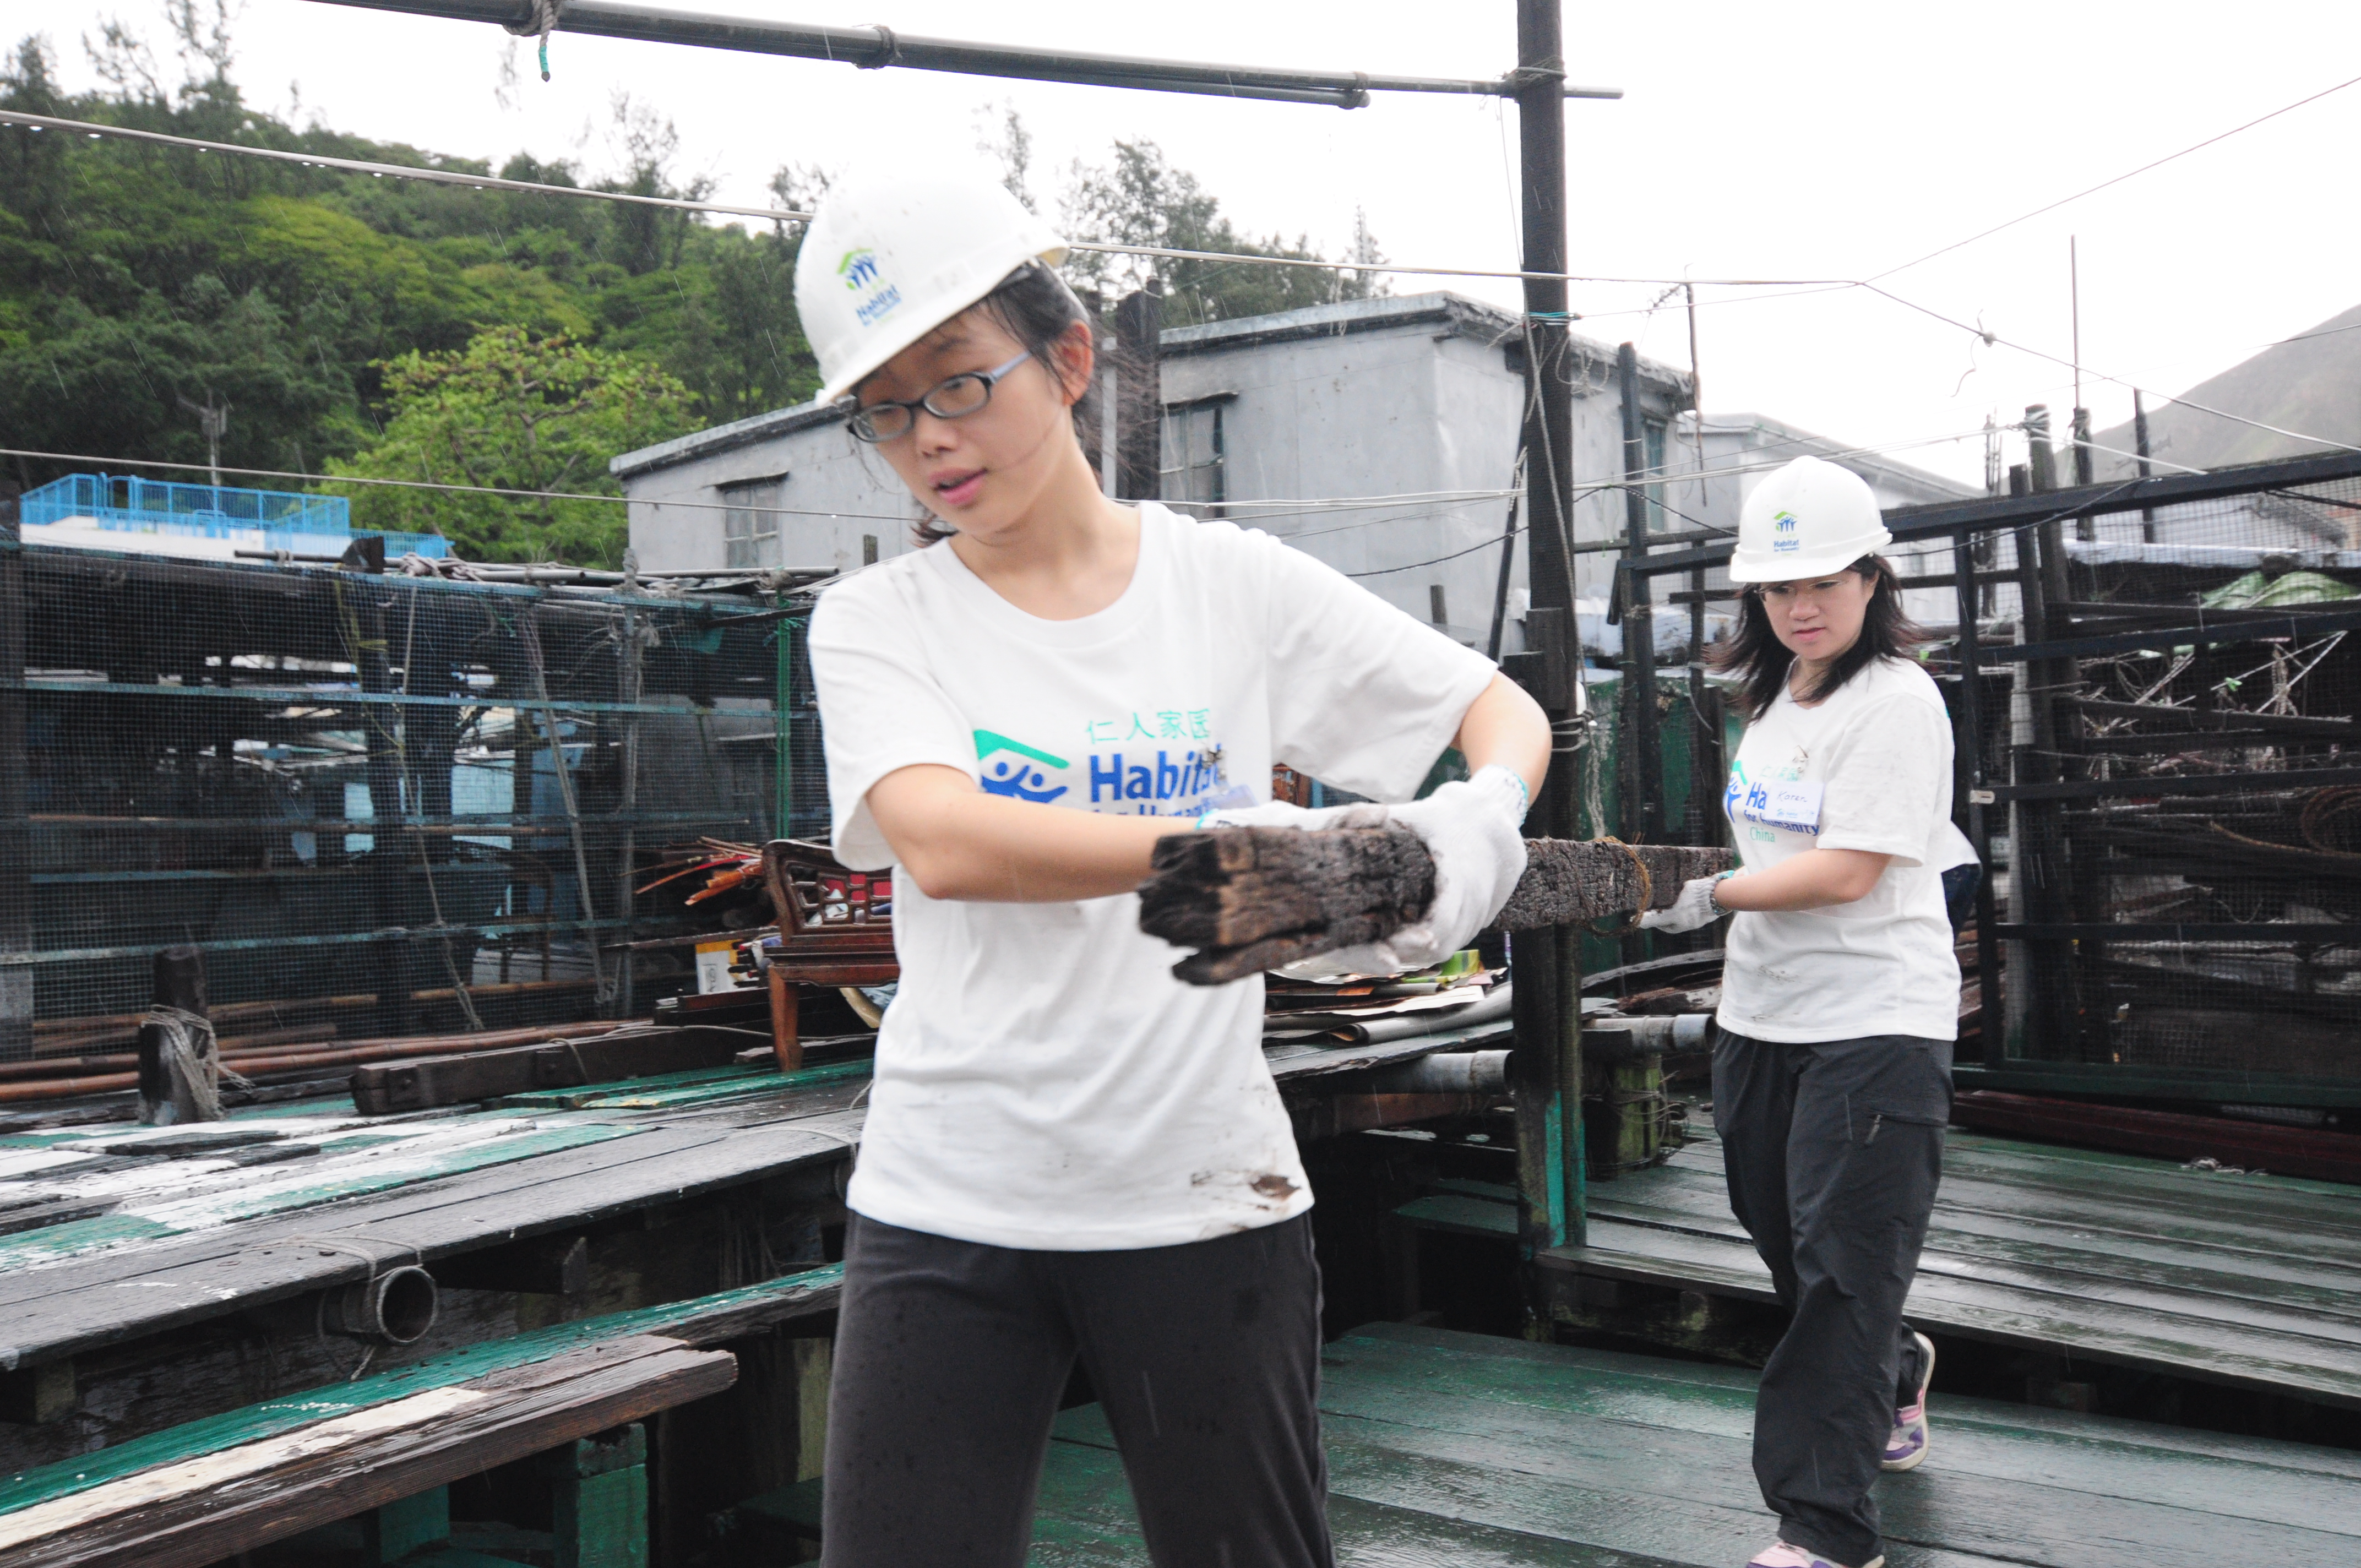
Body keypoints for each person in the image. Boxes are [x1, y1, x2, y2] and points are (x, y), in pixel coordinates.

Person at [792, 162, 1551, 1568]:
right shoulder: (874, 619)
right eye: (886, 411)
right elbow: (946, 843)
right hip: (947, 1195)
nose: (929, 441)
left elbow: (1490, 705)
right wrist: (1268, 864)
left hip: (1200, 1193)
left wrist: (1473, 824)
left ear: (1066, 358)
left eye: (958, 381)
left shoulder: (1227, 585)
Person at [1642, 455, 1970, 1568]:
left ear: (1872, 577)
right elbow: (1774, 846)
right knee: (1785, 1242)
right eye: (1778, 588)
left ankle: (1822, 1529)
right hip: (1762, 1012)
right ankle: (1894, 1364)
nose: (1801, 605)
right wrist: (1703, 889)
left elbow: (1844, 872)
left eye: (1824, 580)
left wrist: (1696, 892)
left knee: (1840, 1268)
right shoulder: (1778, 693)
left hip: (1875, 1020)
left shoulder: (1898, 700)